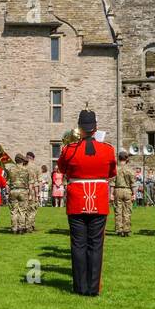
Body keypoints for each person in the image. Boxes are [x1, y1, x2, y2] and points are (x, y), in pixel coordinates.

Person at [54, 111, 116, 296]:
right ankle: (93, 288)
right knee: (96, 244)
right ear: (95, 128)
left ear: (80, 128)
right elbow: (112, 172)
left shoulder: (69, 149)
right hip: (98, 198)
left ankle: (79, 287)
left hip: (77, 200)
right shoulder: (108, 149)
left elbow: (62, 168)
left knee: (78, 245)